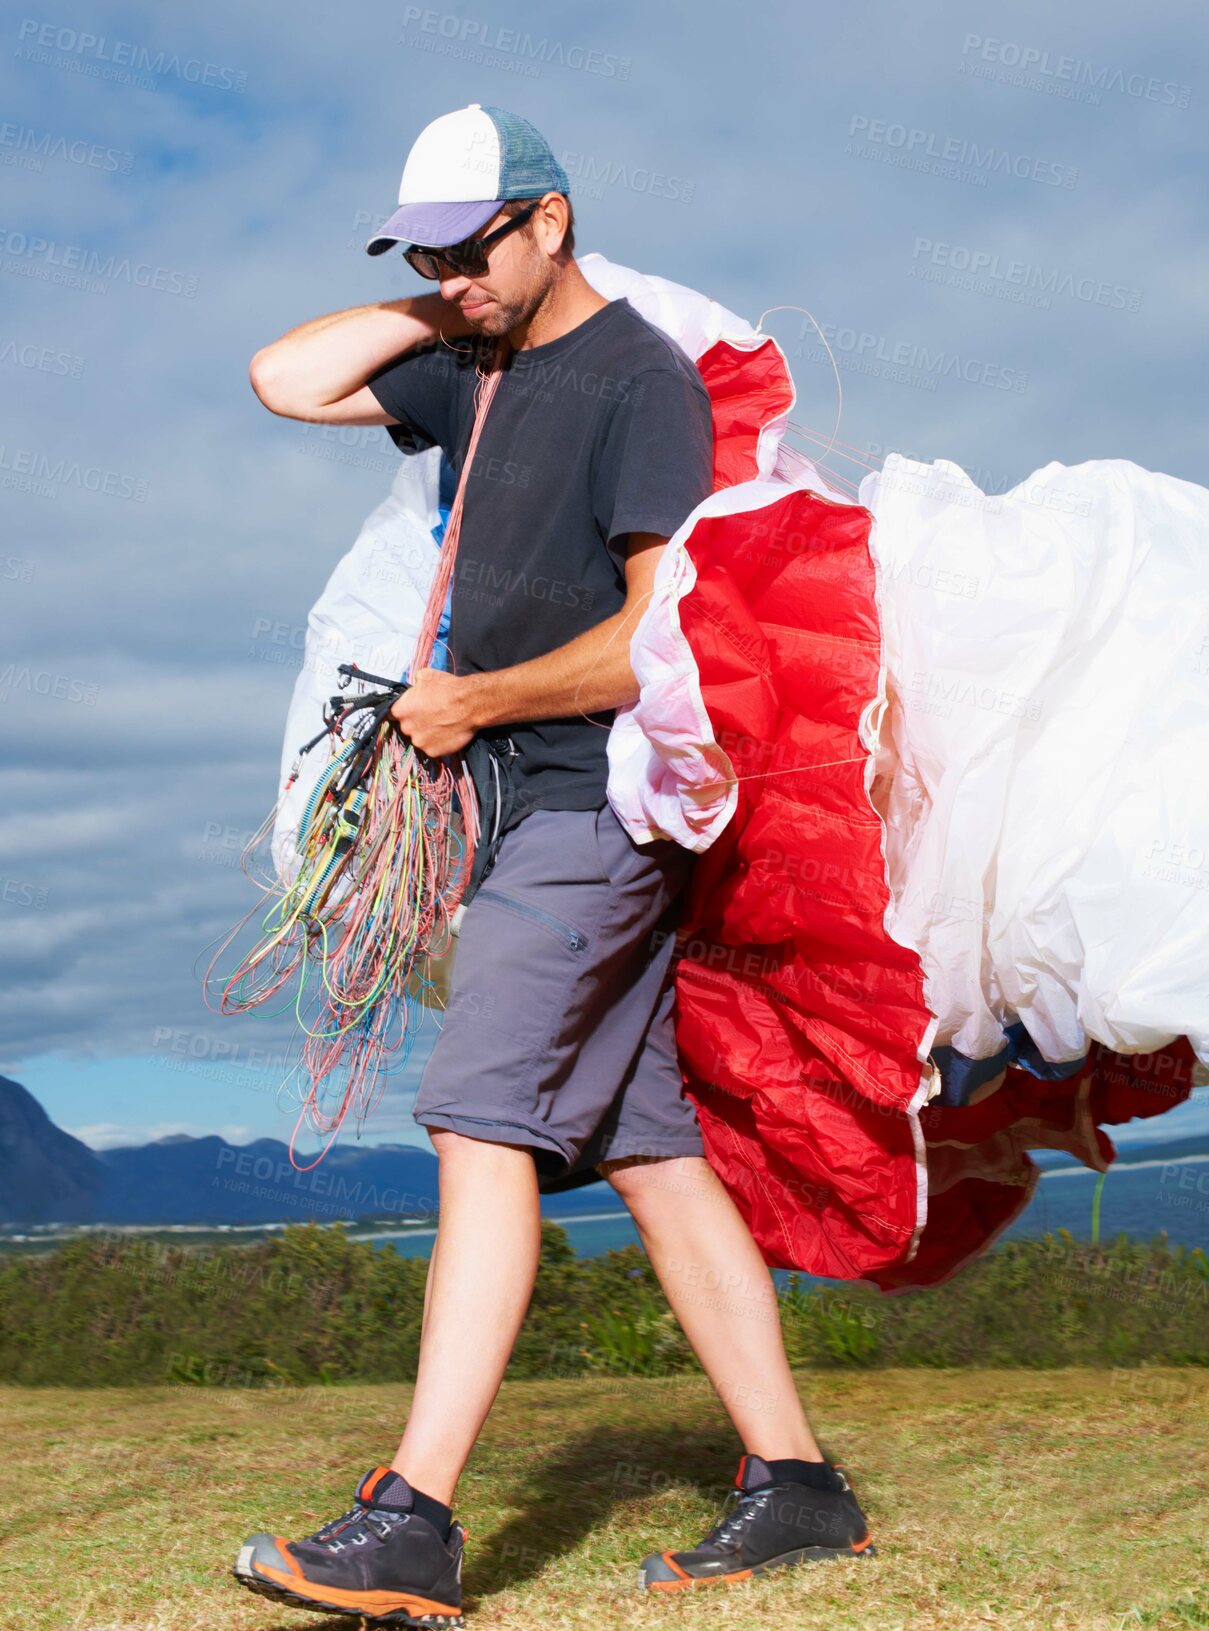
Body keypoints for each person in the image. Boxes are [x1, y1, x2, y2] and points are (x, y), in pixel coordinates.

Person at [231, 104, 874, 1626]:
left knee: (477, 1125)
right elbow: (280, 378)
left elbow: (659, 642)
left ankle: (412, 1523)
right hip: (514, 807)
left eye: (474, 241)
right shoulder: (470, 366)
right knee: (648, 1147)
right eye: (426, 249)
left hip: (593, 809)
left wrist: (477, 700)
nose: (448, 275)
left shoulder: (636, 380)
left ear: (554, 218)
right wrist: (444, 289)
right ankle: (795, 1484)